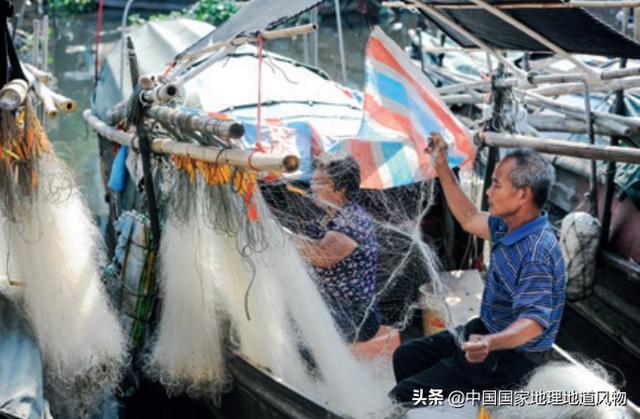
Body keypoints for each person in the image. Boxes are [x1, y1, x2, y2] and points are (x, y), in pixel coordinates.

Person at [390, 133, 566, 402]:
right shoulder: (507, 225)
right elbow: (469, 217)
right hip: (485, 329)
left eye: (496, 185)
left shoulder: (537, 251)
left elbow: (534, 323)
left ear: (522, 195)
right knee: (407, 356)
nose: (488, 191)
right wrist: (442, 167)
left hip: (509, 357)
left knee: (403, 395)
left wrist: (489, 344)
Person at [294, 155, 380, 342]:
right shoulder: (324, 218)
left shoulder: (353, 219)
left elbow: (321, 256)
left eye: (319, 182)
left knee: (297, 340)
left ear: (341, 187)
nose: (312, 187)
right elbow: (301, 240)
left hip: (354, 315)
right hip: (326, 305)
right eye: (313, 181)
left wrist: (277, 235)